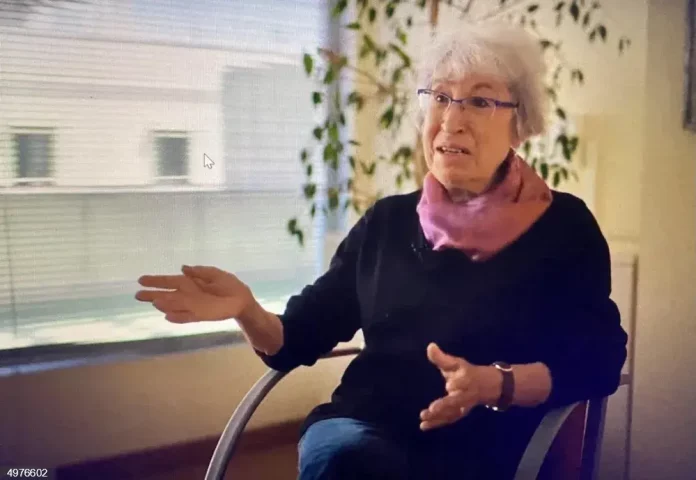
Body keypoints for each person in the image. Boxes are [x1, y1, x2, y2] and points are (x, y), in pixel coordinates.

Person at [135, 22, 628, 480]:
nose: (451, 120)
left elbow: (599, 358)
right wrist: (246, 309)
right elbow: (300, 336)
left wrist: (495, 384)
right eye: (440, 97)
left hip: (482, 447)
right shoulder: (387, 222)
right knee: (348, 461)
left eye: (479, 102)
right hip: (360, 431)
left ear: (520, 124)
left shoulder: (562, 227)